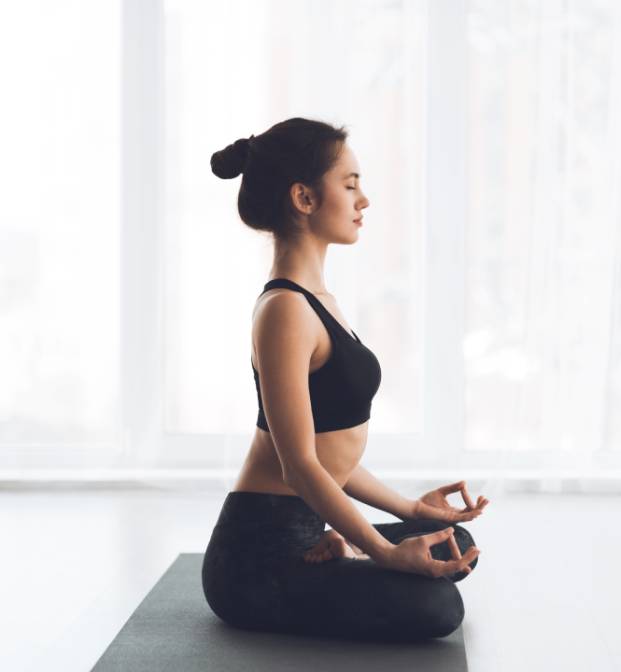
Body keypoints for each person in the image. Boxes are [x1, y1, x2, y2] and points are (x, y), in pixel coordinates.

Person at [201, 117, 488, 642]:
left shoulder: (317, 302)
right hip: (258, 561)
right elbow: (299, 466)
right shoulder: (285, 310)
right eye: (350, 184)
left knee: (451, 537)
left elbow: (329, 452)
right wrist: (380, 549)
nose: (364, 200)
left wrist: (412, 509)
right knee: (439, 609)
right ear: (304, 198)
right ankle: (348, 550)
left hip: (309, 529)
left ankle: (343, 546)